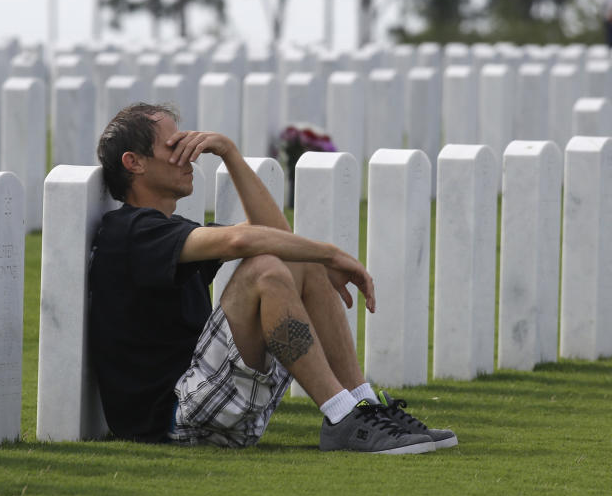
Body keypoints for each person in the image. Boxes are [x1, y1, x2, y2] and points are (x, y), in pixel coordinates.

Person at [88, 103, 457, 454]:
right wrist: (330, 253)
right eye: (176, 146)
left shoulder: (168, 230)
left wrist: (230, 153)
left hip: (212, 402)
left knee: (296, 259)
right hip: (174, 414)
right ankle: (342, 414)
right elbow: (242, 239)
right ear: (133, 162)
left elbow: (277, 236)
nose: (192, 156)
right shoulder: (128, 231)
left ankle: (362, 404)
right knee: (267, 268)